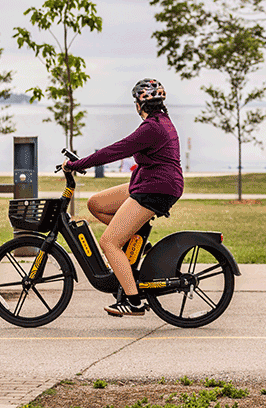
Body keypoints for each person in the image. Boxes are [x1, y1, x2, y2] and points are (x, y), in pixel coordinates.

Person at [63, 78, 183, 316]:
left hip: (155, 188)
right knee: (96, 203)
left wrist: (77, 164)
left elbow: (115, 150)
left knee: (109, 242)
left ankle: (133, 301)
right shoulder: (162, 122)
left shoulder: (151, 128)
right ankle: (135, 238)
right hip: (149, 182)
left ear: (139, 105)